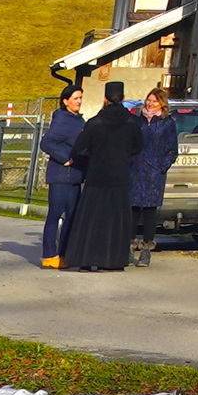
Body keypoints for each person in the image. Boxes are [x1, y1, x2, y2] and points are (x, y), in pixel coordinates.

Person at [55, 83, 144, 273]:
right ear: (122, 98)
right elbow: (138, 147)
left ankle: (87, 259)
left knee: (92, 220)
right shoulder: (132, 123)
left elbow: (80, 148)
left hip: (97, 176)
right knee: (115, 220)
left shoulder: (95, 123)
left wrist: (93, 157)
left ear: (105, 99)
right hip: (119, 177)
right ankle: (112, 261)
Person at [37, 81, 87, 270]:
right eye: (75, 98)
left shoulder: (77, 119)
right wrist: (65, 158)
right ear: (65, 101)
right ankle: (50, 255)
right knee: (56, 214)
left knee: (71, 217)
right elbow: (47, 142)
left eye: (81, 98)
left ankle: (65, 254)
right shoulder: (63, 119)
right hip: (61, 176)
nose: (79, 101)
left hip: (75, 176)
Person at [128, 90, 179, 261]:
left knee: (150, 211)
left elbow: (172, 150)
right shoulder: (136, 121)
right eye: (148, 100)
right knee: (133, 209)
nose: (150, 104)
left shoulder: (167, 123)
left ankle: (146, 248)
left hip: (154, 174)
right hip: (135, 171)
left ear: (161, 104)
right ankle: (129, 245)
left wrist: (161, 167)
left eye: (154, 101)